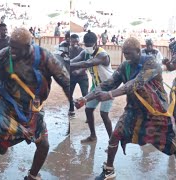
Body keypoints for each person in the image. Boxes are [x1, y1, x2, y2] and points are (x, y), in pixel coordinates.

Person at [0, 27, 71, 180]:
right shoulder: (5, 54)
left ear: (28, 47)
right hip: (5, 100)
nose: (11, 50)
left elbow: (65, 81)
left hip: (31, 108)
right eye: (10, 45)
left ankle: (32, 176)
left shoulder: (45, 58)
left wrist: (72, 104)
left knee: (43, 144)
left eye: (16, 48)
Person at [75, 37, 176, 180]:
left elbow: (134, 84)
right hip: (134, 110)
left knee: (171, 145)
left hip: (156, 113)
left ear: (138, 51)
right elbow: (108, 84)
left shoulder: (151, 63)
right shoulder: (125, 66)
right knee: (115, 135)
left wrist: (109, 95)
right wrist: (86, 98)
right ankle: (109, 170)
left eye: (129, 53)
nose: (126, 56)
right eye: (124, 53)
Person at [69, 30, 114, 143]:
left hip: (108, 86)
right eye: (86, 45)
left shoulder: (103, 55)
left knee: (104, 114)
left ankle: (112, 141)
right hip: (96, 85)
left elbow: (87, 64)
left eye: (90, 45)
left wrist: (69, 65)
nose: (87, 47)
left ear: (96, 43)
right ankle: (93, 136)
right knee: (88, 110)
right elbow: (75, 60)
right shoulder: (85, 53)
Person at [67, 34, 88, 119]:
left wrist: (79, 71)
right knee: (69, 94)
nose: (75, 43)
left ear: (79, 41)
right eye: (73, 41)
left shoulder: (83, 51)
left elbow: (87, 64)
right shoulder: (68, 51)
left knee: (85, 95)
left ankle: (88, 114)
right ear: (70, 42)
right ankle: (71, 111)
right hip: (71, 77)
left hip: (82, 76)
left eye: (77, 41)